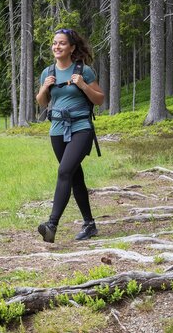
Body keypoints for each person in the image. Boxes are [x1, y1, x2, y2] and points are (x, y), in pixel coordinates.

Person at [35, 28, 105, 243]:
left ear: (72, 47)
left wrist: (83, 85)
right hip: (57, 129)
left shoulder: (84, 71)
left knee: (64, 171)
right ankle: (89, 225)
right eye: (55, 43)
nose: (57, 47)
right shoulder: (48, 73)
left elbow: (100, 99)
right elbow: (42, 102)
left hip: (81, 127)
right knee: (74, 176)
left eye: (62, 43)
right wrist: (44, 89)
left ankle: (52, 225)